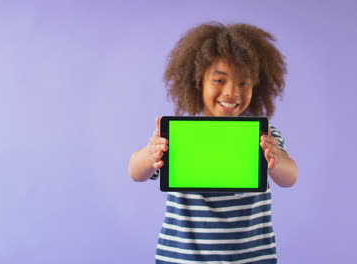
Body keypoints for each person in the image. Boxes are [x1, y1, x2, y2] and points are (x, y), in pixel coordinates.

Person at [128, 22, 298, 264]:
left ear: (256, 87)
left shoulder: (264, 135)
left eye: (244, 83)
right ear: (198, 82)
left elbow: (289, 177)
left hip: (249, 257)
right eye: (219, 80)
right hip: (182, 258)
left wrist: (277, 162)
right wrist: (149, 154)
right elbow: (136, 172)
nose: (232, 92)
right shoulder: (177, 135)